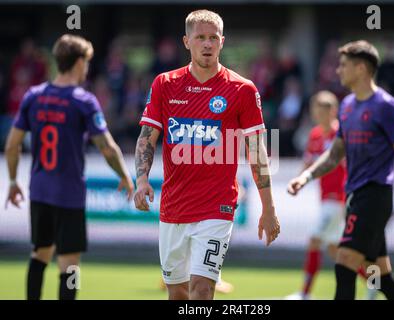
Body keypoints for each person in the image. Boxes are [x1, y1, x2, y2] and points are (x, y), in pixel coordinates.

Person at [134, 9, 280, 300]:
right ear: (186, 41)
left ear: (222, 42)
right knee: (177, 294)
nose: (207, 44)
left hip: (218, 207)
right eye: (200, 37)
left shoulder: (242, 89)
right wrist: (141, 180)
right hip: (173, 207)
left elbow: (257, 151)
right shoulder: (165, 84)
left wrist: (269, 207)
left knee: (202, 290)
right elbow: (147, 137)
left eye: (213, 38)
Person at [287, 40, 394, 300]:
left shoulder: (387, 107)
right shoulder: (348, 106)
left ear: (360, 69)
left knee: (344, 262)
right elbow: (334, 154)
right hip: (355, 198)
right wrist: (306, 176)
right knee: (382, 277)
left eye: (343, 66)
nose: (338, 71)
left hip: (375, 196)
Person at [4, 34, 134, 300]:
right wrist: (124, 175)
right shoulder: (82, 101)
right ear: (78, 63)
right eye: (86, 62)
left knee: (39, 253)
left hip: (39, 191)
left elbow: (12, 145)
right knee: (69, 264)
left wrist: (14, 180)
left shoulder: (33, 96)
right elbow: (107, 147)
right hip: (69, 194)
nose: (86, 68)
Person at [286, 91, 347, 300]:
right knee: (336, 251)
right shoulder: (314, 135)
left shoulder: (341, 134)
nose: (319, 115)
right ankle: (374, 282)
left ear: (333, 111)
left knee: (314, 240)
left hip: (338, 199)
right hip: (325, 199)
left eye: (323, 111)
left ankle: (304, 294)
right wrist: (298, 181)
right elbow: (308, 163)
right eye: (316, 111)